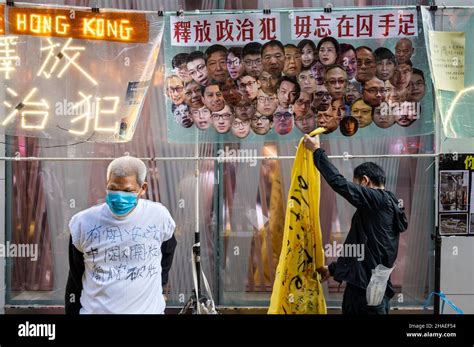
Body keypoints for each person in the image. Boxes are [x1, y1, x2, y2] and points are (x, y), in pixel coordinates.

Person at [301, 137, 408, 315]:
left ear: (365, 181)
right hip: (377, 290)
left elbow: (339, 183)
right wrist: (333, 269)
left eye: (357, 184)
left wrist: (317, 151)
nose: (357, 190)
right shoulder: (390, 204)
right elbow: (365, 249)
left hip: (363, 293)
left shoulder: (377, 200)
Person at [66, 156, 177, 314]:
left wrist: (160, 285)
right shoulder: (83, 223)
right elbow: (76, 277)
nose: (119, 196)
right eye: (113, 189)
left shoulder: (159, 217)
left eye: (127, 191)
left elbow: (167, 252)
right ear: (107, 185)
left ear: (143, 188)